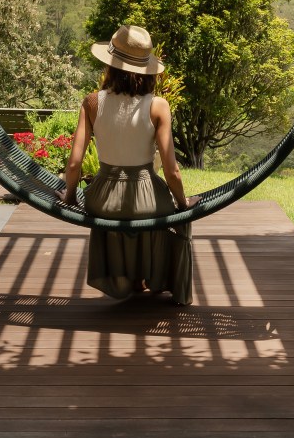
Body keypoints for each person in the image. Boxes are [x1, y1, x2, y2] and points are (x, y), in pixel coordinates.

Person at [62, 24, 196, 305]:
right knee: (164, 213)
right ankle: (152, 277)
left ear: (110, 66)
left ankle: (128, 278)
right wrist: (183, 203)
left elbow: (74, 164)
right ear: (147, 70)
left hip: (102, 200)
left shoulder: (92, 103)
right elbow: (172, 171)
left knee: (122, 215)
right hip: (146, 198)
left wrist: (70, 196)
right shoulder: (158, 105)